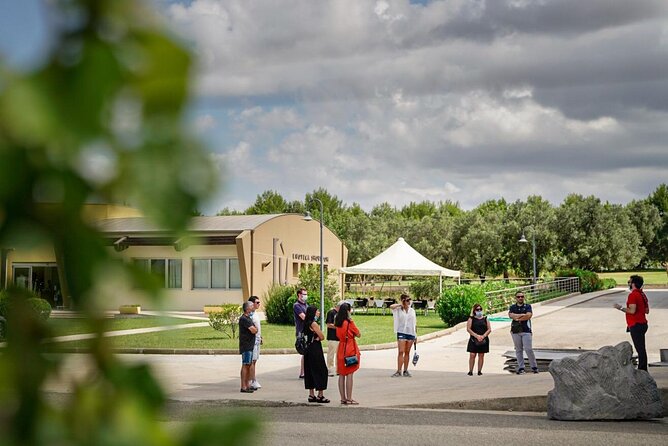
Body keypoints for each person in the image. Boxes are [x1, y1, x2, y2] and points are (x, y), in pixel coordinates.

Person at [614, 275, 650, 371]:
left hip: (636, 324)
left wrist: (620, 308)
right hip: (643, 324)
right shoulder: (642, 294)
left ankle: (642, 369)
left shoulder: (633, 295)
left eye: (629, 282)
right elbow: (647, 311)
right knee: (642, 347)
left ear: (633, 284)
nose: (629, 284)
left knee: (640, 349)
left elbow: (632, 310)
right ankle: (643, 368)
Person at [302, 305, 330, 403]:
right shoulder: (314, 324)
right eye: (317, 311)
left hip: (307, 349)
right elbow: (322, 337)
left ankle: (311, 394)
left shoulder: (305, 323)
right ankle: (320, 395)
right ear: (313, 313)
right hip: (315, 348)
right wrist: (318, 337)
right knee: (321, 370)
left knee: (309, 370)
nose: (318, 313)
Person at [335, 302, 361, 405]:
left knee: (341, 374)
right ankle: (349, 398)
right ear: (348, 311)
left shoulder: (338, 322)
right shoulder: (349, 323)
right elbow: (358, 334)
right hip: (349, 348)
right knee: (350, 374)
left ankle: (343, 398)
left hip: (341, 347)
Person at [508, 291, 538, 374]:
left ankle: (534, 366)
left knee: (528, 349)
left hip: (526, 330)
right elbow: (510, 315)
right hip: (515, 331)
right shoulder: (513, 307)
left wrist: (517, 318)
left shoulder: (528, 306)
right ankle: (521, 367)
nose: (520, 298)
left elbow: (528, 315)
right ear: (516, 298)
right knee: (518, 349)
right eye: (518, 297)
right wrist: (522, 315)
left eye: (522, 296)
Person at [389, 294, 417, 377]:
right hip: (401, 332)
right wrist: (400, 304)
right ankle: (398, 370)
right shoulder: (398, 309)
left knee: (407, 352)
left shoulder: (412, 311)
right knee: (401, 351)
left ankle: (405, 370)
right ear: (403, 301)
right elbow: (391, 306)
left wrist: (415, 335)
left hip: (411, 333)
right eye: (407, 300)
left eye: (409, 300)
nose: (409, 302)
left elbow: (415, 323)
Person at [466, 303, 491, 376]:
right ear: (474, 311)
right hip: (473, 339)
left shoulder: (485, 319)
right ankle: (470, 370)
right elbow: (468, 329)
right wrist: (476, 336)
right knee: (472, 355)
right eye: (477, 309)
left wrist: (483, 336)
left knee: (481, 355)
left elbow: (489, 329)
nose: (479, 311)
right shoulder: (471, 319)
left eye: (480, 309)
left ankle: (479, 371)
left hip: (483, 339)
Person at [239, 301, 258, 393]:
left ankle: (247, 385)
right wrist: (255, 329)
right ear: (247, 308)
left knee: (249, 364)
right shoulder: (244, 319)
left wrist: (255, 329)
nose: (253, 306)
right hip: (246, 346)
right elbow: (254, 330)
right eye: (251, 305)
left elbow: (255, 329)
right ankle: (243, 386)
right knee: (246, 365)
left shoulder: (248, 318)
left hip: (250, 345)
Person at [325, 301, 343, 377]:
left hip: (339, 337)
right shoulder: (331, 313)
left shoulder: (341, 314)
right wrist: (338, 327)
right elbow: (329, 324)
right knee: (331, 354)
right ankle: (330, 369)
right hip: (332, 337)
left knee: (339, 354)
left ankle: (338, 369)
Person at [293, 287, 308, 379]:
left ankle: (305, 371)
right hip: (301, 331)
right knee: (304, 351)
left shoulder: (306, 305)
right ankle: (303, 372)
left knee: (307, 352)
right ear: (299, 295)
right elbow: (303, 317)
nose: (305, 296)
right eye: (304, 294)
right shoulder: (297, 305)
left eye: (306, 294)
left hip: (307, 330)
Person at [248, 296, 262, 390]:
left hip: (257, 339)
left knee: (255, 360)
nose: (259, 304)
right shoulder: (250, 315)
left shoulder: (255, 314)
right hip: (252, 340)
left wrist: (260, 337)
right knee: (252, 360)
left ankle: (252, 379)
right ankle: (252, 380)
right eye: (257, 302)